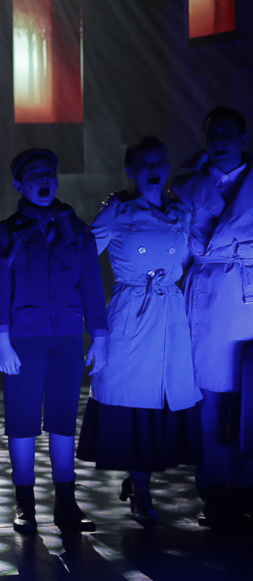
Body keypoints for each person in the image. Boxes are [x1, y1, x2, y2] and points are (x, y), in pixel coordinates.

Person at [76, 137, 202, 526]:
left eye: (159, 161)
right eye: (144, 162)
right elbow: (81, 256)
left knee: (165, 397)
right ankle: (141, 491)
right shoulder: (117, 211)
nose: (153, 168)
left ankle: (143, 483)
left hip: (171, 310)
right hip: (132, 308)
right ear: (130, 170)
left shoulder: (180, 211)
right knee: (134, 400)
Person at [0, 148, 107, 534]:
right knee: (22, 419)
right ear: (19, 185)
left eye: (48, 173)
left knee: (62, 417)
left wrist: (99, 336)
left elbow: (92, 285)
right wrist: (3, 342)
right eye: (34, 174)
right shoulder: (6, 233)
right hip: (24, 338)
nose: (43, 179)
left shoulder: (77, 231)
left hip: (67, 336)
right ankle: (24, 499)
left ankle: (66, 500)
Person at [177, 106, 253, 529]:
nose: (218, 140)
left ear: (243, 137)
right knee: (211, 399)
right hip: (207, 298)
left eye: (226, 133)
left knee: (250, 395)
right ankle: (217, 488)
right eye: (212, 134)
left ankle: (248, 485)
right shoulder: (188, 190)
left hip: (248, 294)